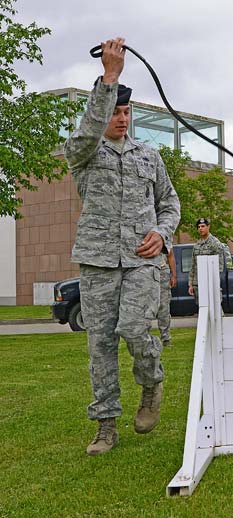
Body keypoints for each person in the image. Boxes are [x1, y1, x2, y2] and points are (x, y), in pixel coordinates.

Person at [64, 37, 180, 456]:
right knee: (100, 346)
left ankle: (151, 385)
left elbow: (170, 203)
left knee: (134, 329)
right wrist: (108, 79)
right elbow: (84, 135)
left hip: (141, 261)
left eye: (126, 111)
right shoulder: (83, 153)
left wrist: (163, 234)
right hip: (97, 262)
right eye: (115, 111)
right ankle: (106, 425)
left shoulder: (149, 157)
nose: (121, 118)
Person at [188, 217, 231, 305]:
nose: (200, 228)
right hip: (198, 284)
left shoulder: (215, 243)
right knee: (202, 309)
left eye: (203, 226)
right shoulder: (197, 245)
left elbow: (219, 266)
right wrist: (191, 284)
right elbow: (193, 266)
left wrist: (212, 283)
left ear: (208, 227)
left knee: (215, 308)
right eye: (199, 227)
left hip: (210, 284)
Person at [157, 248, 177, 347]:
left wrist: (174, 275)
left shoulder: (162, 234)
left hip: (162, 273)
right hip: (144, 271)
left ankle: (166, 339)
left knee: (164, 308)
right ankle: (142, 339)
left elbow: (170, 256)